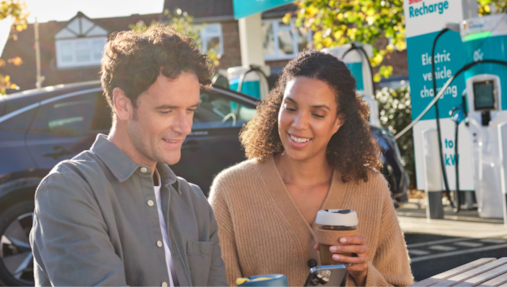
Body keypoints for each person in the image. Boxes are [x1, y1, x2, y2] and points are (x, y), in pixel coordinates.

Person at [30, 25, 229, 287]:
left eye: (190, 110)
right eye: (166, 111)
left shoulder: (193, 202)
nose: (185, 127)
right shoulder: (68, 191)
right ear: (123, 104)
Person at [208, 50, 413, 287]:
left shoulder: (371, 187)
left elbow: (399, 283)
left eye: (317, 114)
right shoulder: (231, 190)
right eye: (291, 108)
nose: (298, 124)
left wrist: (363, 274)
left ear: (339, 121)